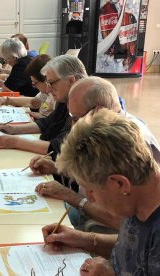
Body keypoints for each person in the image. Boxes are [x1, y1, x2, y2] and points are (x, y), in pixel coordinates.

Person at [32, 76, 160, 229]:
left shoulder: (120, 142)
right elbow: (99, 177)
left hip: (99, 222)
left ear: (98, 110)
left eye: (76, 118)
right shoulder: (107, 130)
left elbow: (121, 220)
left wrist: (72, 196)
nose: (73, 126)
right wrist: (56, 168)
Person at [43, 109, 160, 275]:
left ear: (120, 183)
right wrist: (83, 239)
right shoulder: (138, 196)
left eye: (91, 190)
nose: (89, 198)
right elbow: (133, 246)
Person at [0, 55, 87, 157]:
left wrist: (16, 142)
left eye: (52, 83)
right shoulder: (65, 99)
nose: (48, 90)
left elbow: (60, 147)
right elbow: (46, 123)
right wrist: (13, 129)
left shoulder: (84, 106)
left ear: (71, 81)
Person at [0, 54, 55, 118]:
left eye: (35, 83)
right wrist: (6, 100)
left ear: (46, 79)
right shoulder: (45, 92)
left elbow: (58, 123)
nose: (34, 86)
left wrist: (43, 119)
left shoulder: (57, 96)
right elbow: (33, 102)